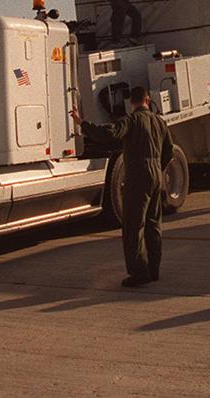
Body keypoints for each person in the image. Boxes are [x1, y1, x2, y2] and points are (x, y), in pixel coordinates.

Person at [72, 85, 173, 287]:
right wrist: (157, 169)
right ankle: (154, 269)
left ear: (131, 102)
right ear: (147, 100)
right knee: (153, 223)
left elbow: (108, 133)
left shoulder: (131, 120)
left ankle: (139, 272)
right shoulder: (160, 122)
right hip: (156, 175)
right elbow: (169, 150)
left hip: (137, 175)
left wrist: (82, 123)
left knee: (133, 225)